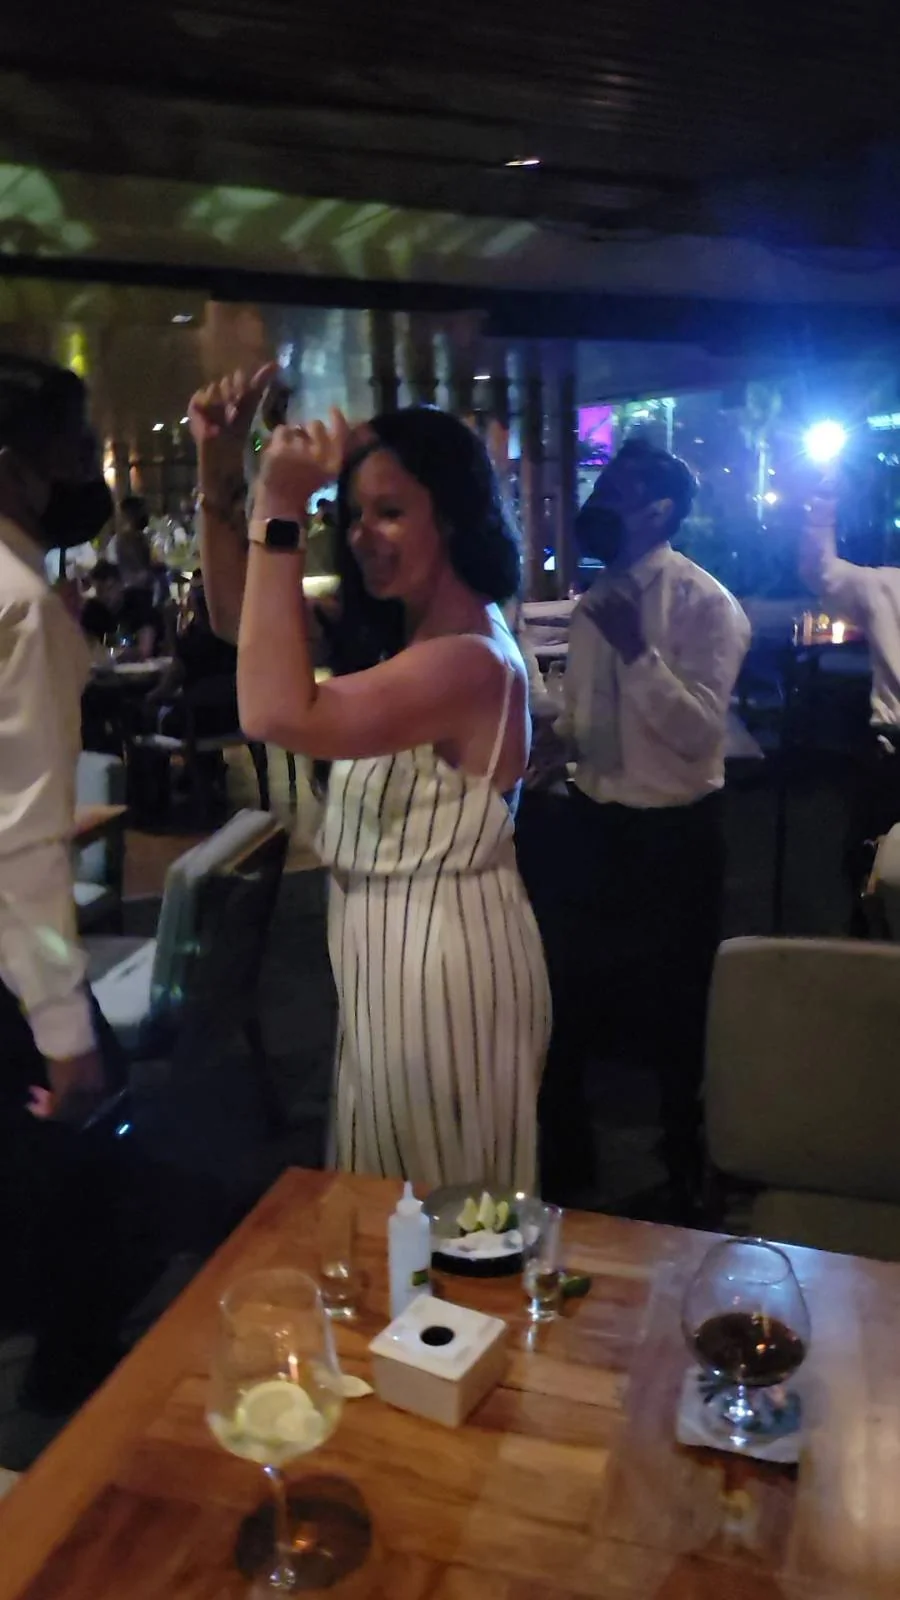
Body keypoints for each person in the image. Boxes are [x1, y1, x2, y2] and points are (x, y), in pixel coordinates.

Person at [191, 367, 551, 1191]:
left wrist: (281, 508)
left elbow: (273, 711)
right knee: (399, 1211)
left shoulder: (471, 662)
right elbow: (232, 621)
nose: (362, 535)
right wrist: (224, 472)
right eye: (354, 515)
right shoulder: (403, 638)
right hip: (383, 954)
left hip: (444, 966)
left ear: (455, 519)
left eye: (391, 511)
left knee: (447, 1221)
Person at [539, 438, 750, 1212]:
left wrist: (638, 654)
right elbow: (587, 715)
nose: (601, 501)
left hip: (673, 837)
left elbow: (699, 734)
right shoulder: (599, 596)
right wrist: (552, 741)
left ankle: (686, 1177)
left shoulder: (705, 605)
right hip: (594, 826)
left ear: (660, 509)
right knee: (570, 998)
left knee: (675, 1014)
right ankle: (570, 1171)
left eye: (620, 489)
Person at [0, 354, 141, 1405]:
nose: (91, 464)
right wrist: (65, 1032)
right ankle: (75, 1417)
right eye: (77, 441)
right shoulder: (20, 605)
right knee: (85, 1167)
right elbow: (20, 842)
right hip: (9, 966)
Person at [800, 489, 900, 920]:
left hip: (891, 750)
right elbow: (821, 573)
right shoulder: (886, 585)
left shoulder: (885, 586)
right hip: (893, 751)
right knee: (868, 868)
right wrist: (821, 502)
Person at [80, 557, 159, 659]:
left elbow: (145, 650)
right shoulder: (93, 611)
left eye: (110, 588)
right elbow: (87, 648)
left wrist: (113, 654)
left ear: (120, 585)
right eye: (100, 591)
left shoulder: (138, 603)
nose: (105, 596)